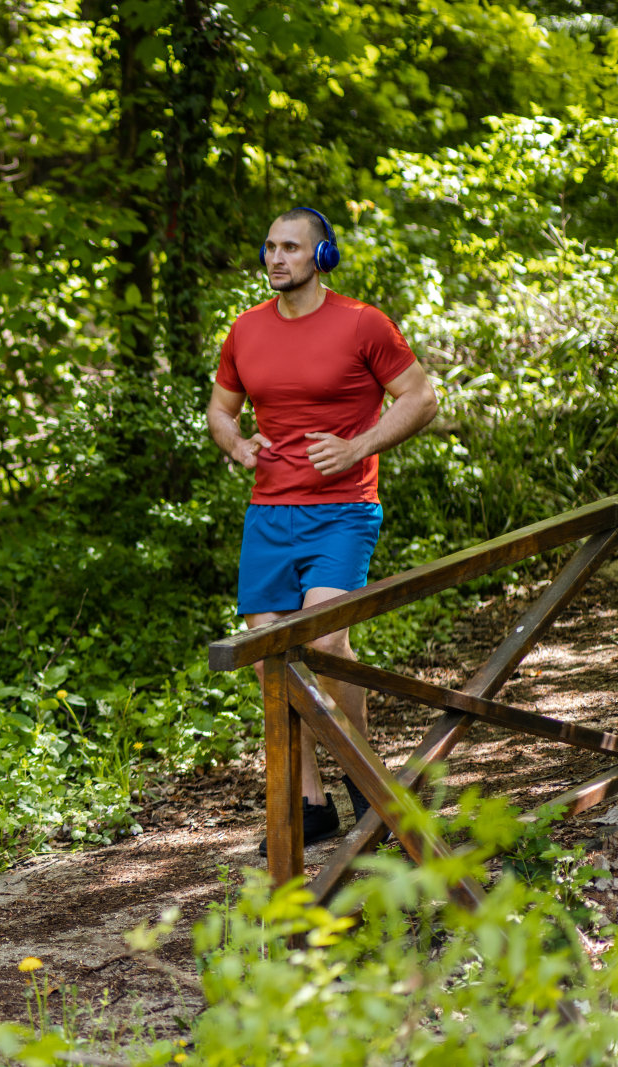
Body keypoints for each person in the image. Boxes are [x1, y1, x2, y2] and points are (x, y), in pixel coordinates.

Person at [206, 206, 438, 852]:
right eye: (269, 247)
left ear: (322, 256)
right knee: (270, 658)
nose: (276, 258)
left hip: (343, 509)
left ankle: (365, 779)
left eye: (290, 248)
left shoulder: (363, 324)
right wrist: (236, 443)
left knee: (326, 640)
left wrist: (359, 445)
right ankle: (310, 804)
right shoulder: (245, 331)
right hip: (269, 515)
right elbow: (219, 411)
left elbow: (421, 397)